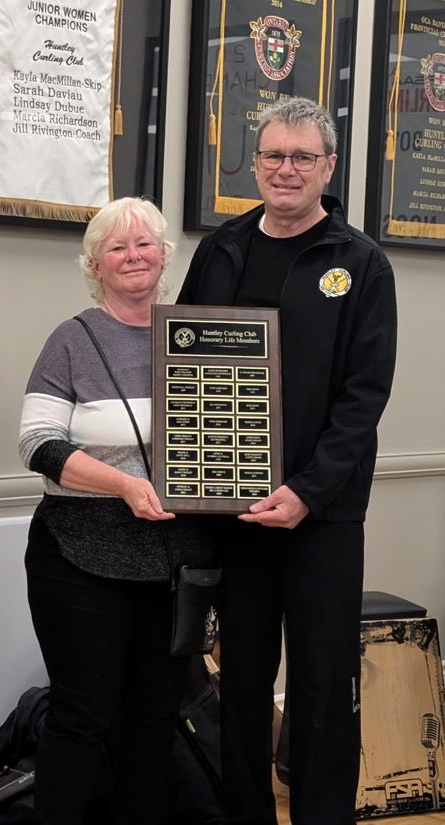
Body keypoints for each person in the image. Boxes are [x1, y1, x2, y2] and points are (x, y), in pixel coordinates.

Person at [177, 97, 397, 825]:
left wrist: (306, 490)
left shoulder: (360, 263)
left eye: (303, 157)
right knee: (239, 686)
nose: (286, 169)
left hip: (322, 517)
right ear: (255, 161)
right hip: (234, 514)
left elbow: (363, 399)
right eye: (273, 154)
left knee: (322, 688)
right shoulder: (221, 249)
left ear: (328, 167)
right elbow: (184, 364)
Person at [19, 197, 217, 825]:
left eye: (146, 244)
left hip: (173, 563)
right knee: (82, 716)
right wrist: (125, 486)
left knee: (155, 718)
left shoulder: (198, 334)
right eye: (117, 247)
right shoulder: (72, 340)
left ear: (166, 256)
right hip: (79, 554)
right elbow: (38, 445)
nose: (134, 257)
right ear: (95, 264)